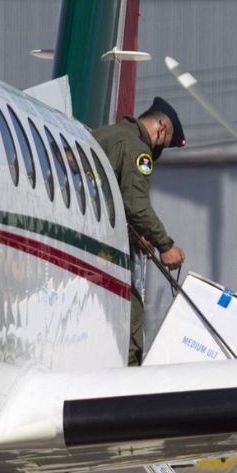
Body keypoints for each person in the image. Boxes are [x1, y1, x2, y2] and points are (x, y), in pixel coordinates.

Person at [91, 97, 187, 366]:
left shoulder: (109, 135)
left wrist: (137, 237)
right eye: (161, 147)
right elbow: (136, 205)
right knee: (130, 327)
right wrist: (165, 245)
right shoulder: (137, 147)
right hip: (98, 250)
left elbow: (109, 200)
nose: (155, 153)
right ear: (161, 130)